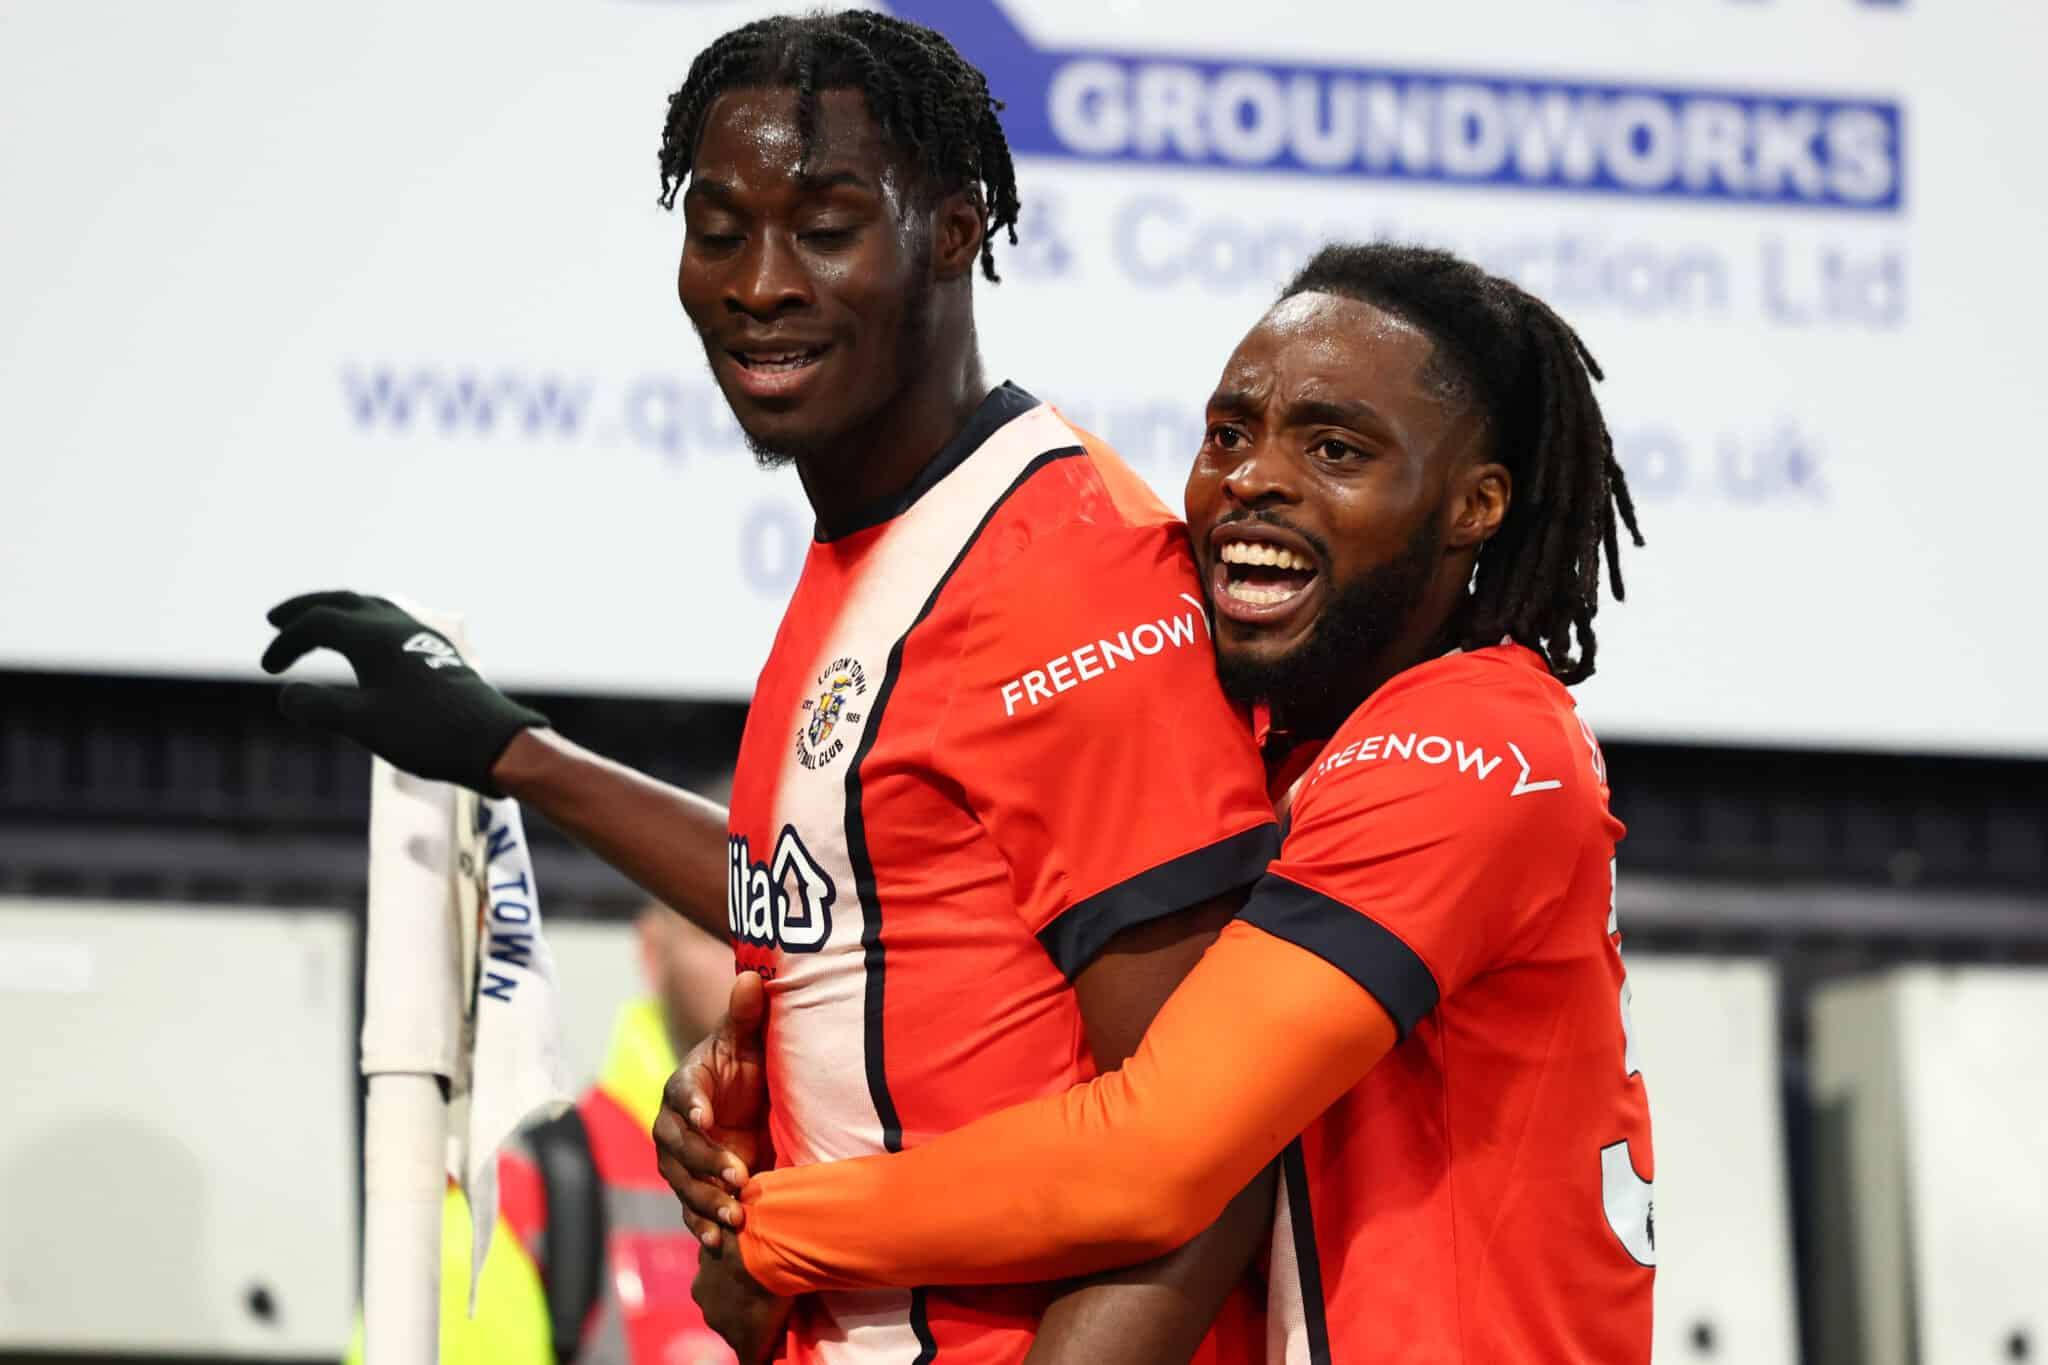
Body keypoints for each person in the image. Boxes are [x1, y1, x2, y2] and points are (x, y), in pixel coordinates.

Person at [260, 12, 1281, 1364]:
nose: (760, 284)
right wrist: (513, 751)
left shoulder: (1071, 570)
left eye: (826, 229)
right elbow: (837, 900)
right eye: (719, 230)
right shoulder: (869, 545)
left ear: (955, 233)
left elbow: (1208, 1152)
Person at [661, 243, 1656, 1363]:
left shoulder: (1472, 748)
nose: (1252, 477)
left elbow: (1152, 1155)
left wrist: (773, 1229)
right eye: (1228, 434)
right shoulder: (1279, 732)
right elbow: (906, 913)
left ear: (1476, 505)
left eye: (1334, 448)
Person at [343, 904, 739, 1365]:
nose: (759, 959)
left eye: (795, 920)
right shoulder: (512, 1202)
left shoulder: (816, 1171)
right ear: (654, 951)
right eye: (722, 928)